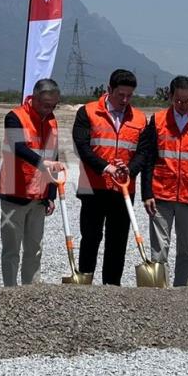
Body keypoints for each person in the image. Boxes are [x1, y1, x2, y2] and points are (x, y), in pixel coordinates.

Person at [73, 69, 148, 285]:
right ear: (109, 90)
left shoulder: (141, 119)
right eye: (120, 95)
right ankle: (85, 283)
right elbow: (83, 148)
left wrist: (129, 171)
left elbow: (143, 153)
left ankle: (112, 287)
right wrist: (106, 168)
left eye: (129, 96)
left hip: (123, 189)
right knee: (90, 238)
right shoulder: (87, 112)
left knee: (117, 242)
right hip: (93, 187)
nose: (125, 100)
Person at [136, 75, 188, 287]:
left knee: (186, 247)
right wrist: (147, 193)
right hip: (161, 193)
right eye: (178, 101)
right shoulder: (158, 120)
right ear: (170, 96)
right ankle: (159, 290)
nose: (183, 106)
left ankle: (181, 289)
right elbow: (148, 159)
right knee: (159, 247)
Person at [0, 79, 65, 286]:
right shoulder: (15, 117)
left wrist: (51, 194)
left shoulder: (52, 121)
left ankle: (31, 289)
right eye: (46, 105)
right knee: (11, 248)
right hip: (14, 192)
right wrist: (43, 163)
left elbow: (54, 156)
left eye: (53, 105)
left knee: (35, 247)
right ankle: (9, 288)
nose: (49, 109)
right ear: (34, 98)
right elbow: (18, 147)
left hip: (40, 195)